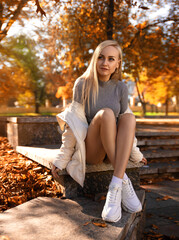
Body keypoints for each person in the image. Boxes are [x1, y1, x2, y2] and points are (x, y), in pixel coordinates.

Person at [52, 40, 147, 223]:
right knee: (107, 114)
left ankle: (116, 184)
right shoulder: (83, 84)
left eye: (111, 59)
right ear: (95, 60)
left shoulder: (120, 87)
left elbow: (127, 124)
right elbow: (73, 123)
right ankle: (123, 180)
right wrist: (62, 158)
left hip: (112, 150)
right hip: (93, 149)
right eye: (101, 57)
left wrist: (135, 153)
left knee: (128, 117)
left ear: (117, 63)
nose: (105, 63)